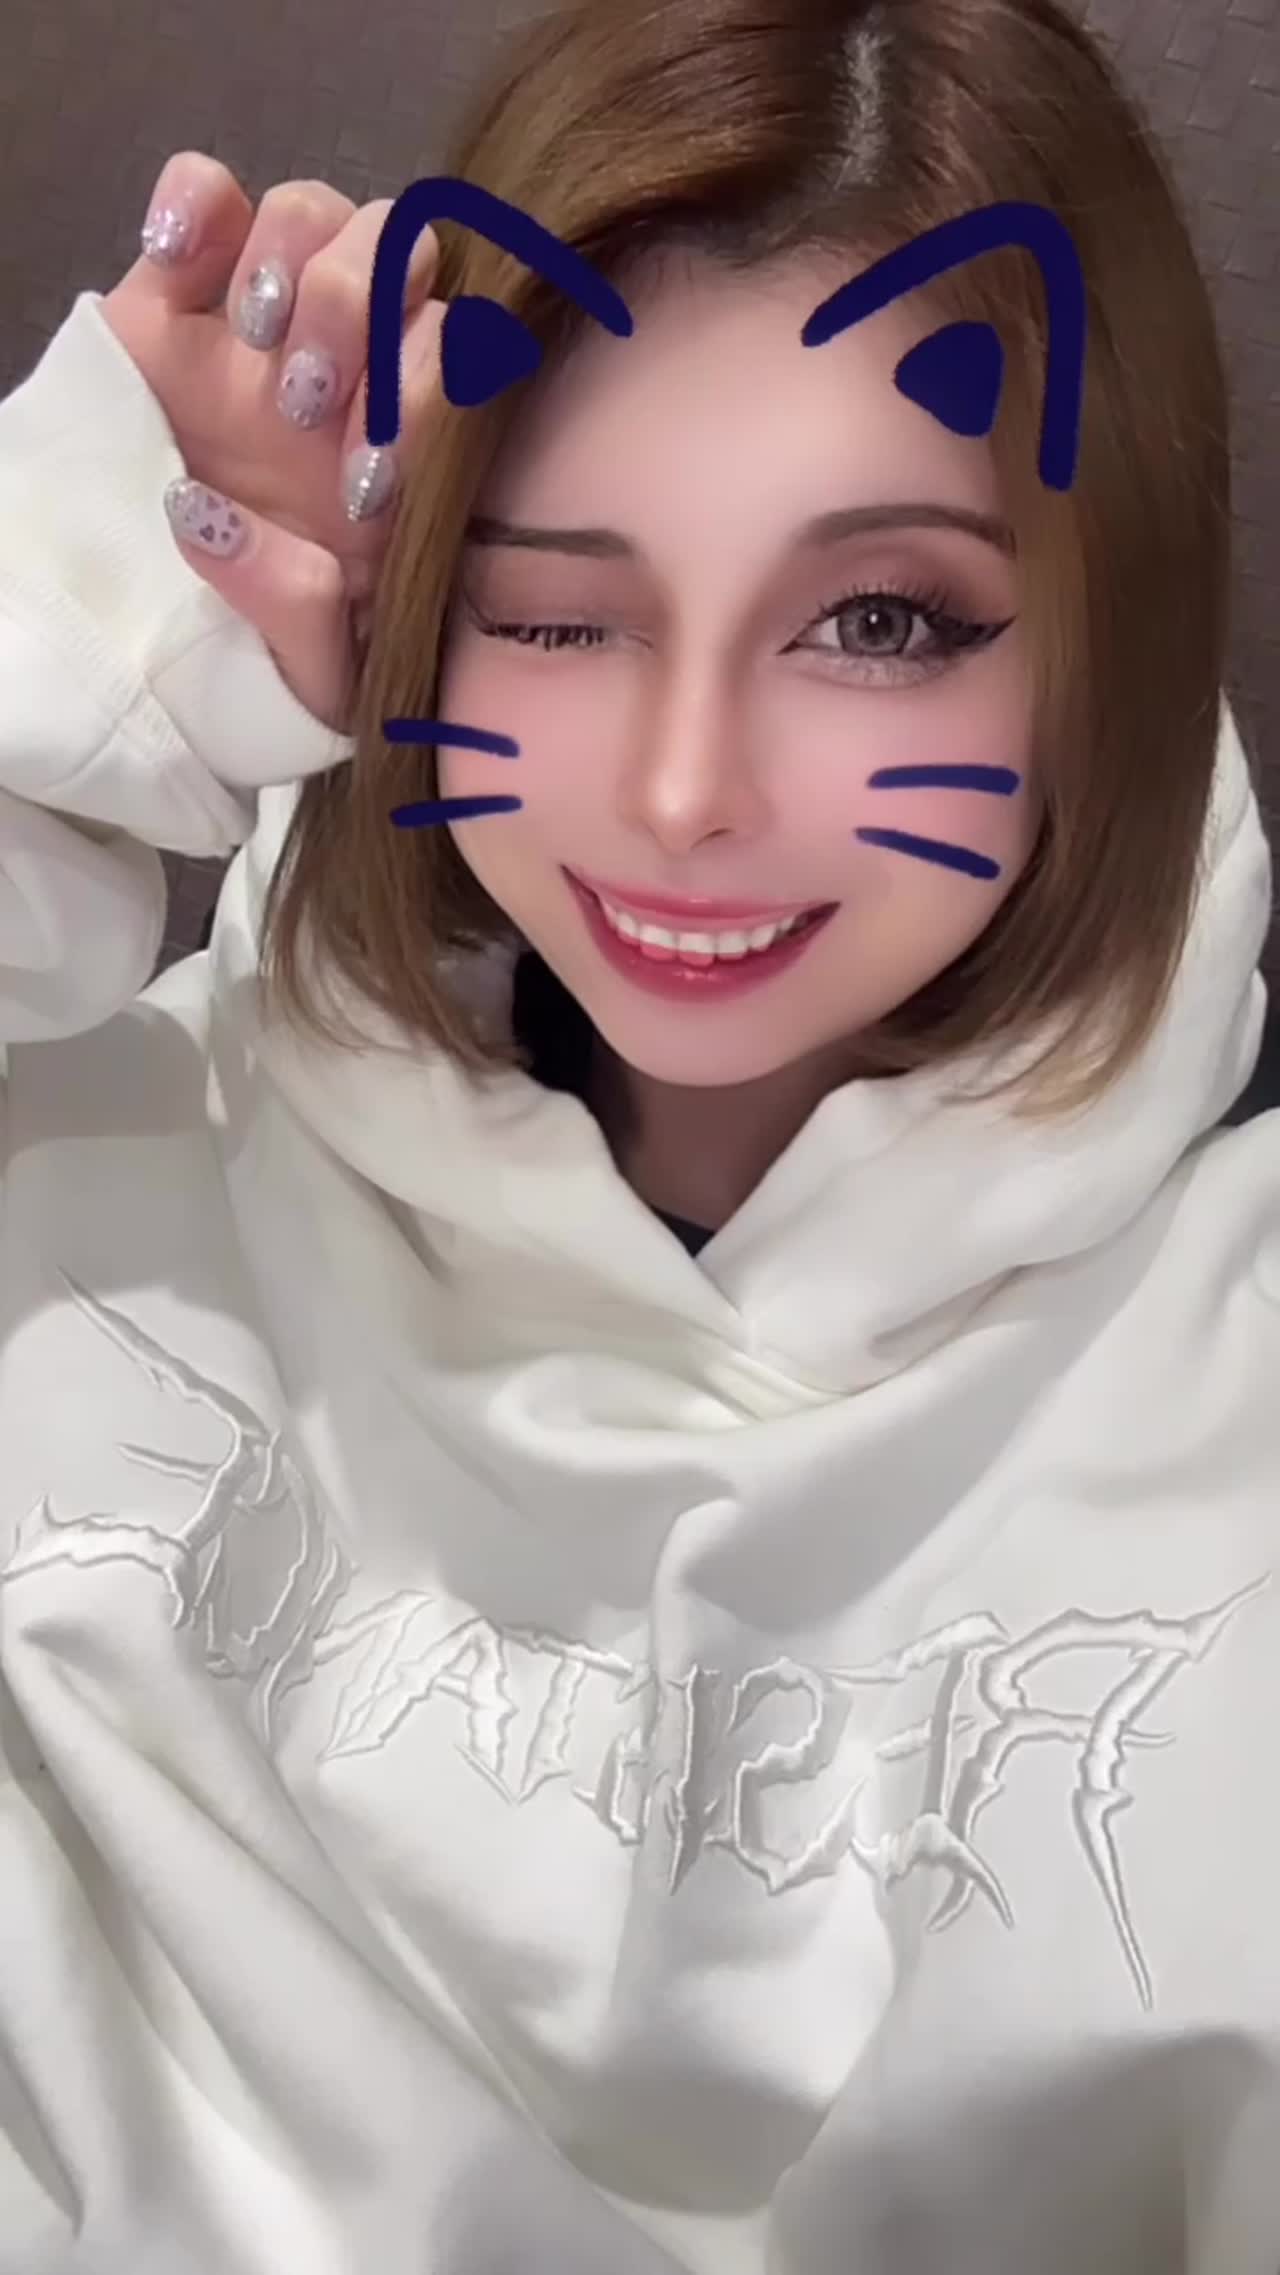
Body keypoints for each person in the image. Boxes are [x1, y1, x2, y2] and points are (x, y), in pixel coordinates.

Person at [1, 0, 1277, 2268]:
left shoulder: (1228, 1394)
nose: (685, 792)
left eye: (877, 619)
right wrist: (66, 632)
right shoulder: (111, 1143)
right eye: (553, 607)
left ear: (1104, 632)